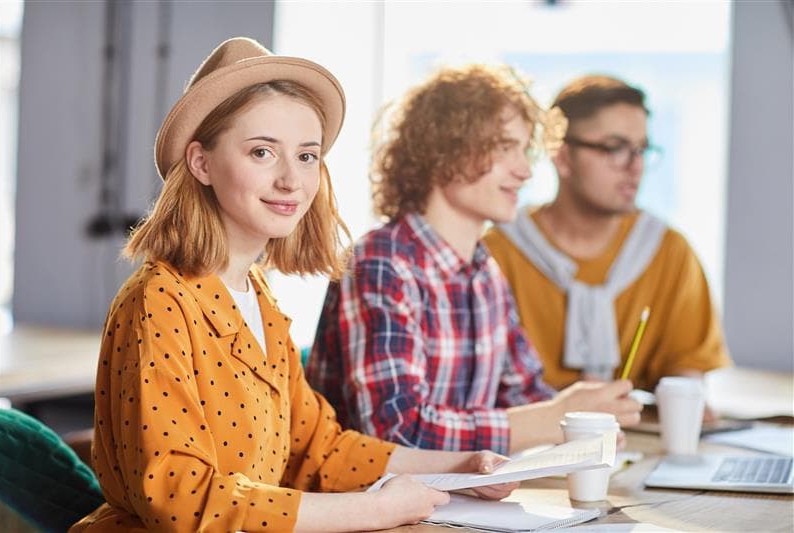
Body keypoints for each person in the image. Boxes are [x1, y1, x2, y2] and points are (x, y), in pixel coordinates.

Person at [70, 38, 518, 533]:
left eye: (307, 156)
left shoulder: (257, 295)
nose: (291, 180)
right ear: (201, 163)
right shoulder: (160, 299)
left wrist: (459, 467)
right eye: (262, 152)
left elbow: (319, 450)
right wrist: (375, 509)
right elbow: (180, 496)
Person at [306, 65, 642, 456]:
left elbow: (524, 392)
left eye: (523, 149)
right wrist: (553, 419)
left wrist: (581, 419)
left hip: (457, 505)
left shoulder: (485, 271)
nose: (524, 170)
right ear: (445, 150)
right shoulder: (382, 263)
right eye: (503, 147)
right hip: (374, 510)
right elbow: (394, 431)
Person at [483, 75, 730, 396]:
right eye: (615, 148)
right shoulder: (497, 252)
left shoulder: (669, 250)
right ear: (562, 157)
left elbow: (687, 370)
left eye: (642, 149)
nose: (635, 166)